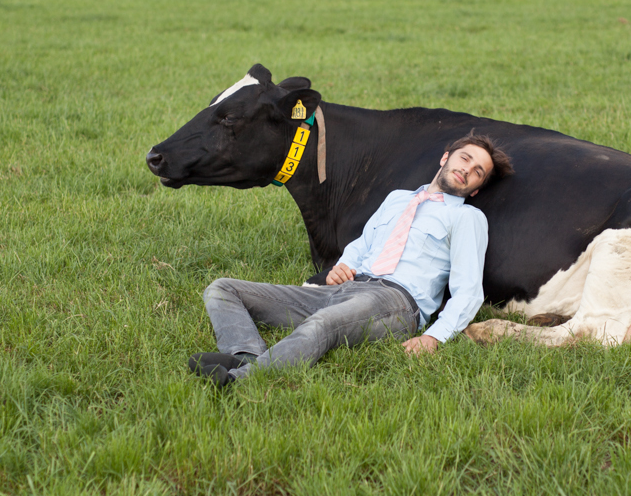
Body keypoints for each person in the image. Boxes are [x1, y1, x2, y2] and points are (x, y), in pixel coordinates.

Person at [189, 133, 513, 386]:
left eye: (476, 172)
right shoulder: (399, 199)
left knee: (324, 324)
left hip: (395, 303)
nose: (466, 170)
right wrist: (344, 265)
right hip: (345, 289)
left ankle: (240, 381)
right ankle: (244, 355)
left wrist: (433, 336)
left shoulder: (467, 219)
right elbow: (363, 243)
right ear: (446, 157)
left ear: (474, 189)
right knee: (223, 289)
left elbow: (469, 291)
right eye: (464, 158)